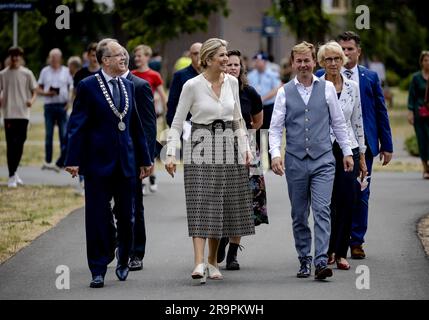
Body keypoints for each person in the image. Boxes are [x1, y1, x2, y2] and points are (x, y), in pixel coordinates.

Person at [165, 38, 255, 285]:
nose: (227, 60)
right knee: (200, 201)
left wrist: (246, 148)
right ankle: (198, 262)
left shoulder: (233, 83)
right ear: (208, 58)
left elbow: (237, 119)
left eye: (227, 55)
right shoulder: (191, 85)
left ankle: (214, 261)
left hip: (229, 143)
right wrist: (171, 153)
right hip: (199, 143)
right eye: (222, 56)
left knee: (221, 204)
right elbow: (176, 120)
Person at [64, 39, 152, 288]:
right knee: (97, 217)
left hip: (126, 163)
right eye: (118, 55)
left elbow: (135, 126)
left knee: (127, 216)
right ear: (105, 60)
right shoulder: (88, 86)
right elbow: (77, 124)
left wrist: (145, 159)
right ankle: (98, 268)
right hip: (97, 163)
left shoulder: (128, 86)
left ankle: (123, 258)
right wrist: (73, 159)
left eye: (124, 54)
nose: (124, 58)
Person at [269, 41, 353, 280]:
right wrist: (275, 154)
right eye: (299, 61)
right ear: (293, 64)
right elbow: (275, 129)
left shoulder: (326, 88)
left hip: (323, 160)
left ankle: (320, 261)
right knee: (298, 213)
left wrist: (346, 152)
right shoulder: (285, 91)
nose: (304, 65)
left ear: (314, 62)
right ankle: (304, 258)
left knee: (322, 210)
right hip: (295, 160)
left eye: (307, 60)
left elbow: (338, 123)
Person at [317, 31, 393, 260]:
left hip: (362, 145)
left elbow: (380, 111)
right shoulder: (321, 77)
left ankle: (356, 241)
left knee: (360, 194)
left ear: (358, 51)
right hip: (328, 147)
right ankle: (332, 245)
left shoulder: (368, 77)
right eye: (343, 49)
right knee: (331, 197)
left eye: (350, 49)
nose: (346, 53)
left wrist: (386, 144)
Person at [317, 41, 368, 270]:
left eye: (337, 58)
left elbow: (357, 121)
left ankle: (341, 252)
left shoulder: (352, 86)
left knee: (348, 199)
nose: (333, 63)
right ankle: (326, 250)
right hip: (324, 148)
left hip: (349, 148)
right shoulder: (316, 86)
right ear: (322, 62)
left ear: (343, 61)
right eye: (328, 59)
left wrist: (362, 155)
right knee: (327, 202)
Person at [217, 49, 267, 271]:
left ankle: (233, 254)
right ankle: (220, 239)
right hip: (218, 150)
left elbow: (257, 123)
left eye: (236, 65)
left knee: (243, 201)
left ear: (241, 68)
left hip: (247, 150)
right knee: (222, 199)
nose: (232, 68)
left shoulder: (250, 93)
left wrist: (244, 139)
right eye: (228, 65)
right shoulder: (214, 91)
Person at [118, 47, 157, 271]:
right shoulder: (97, 85)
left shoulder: (140, 86)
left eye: (124, 57)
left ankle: (135, 252)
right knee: (109, 206)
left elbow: (149, 126)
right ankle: (116, 242)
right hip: (107, 156)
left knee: (134, 205)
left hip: (133, 157)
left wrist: (147, 158)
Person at [0, 47, 38, 188]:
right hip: (9, 114)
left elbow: (34, 91)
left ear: (20, 57)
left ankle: (14, 171)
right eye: (13, 56)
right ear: (10, 57)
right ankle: (11, 176)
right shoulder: (3, 74)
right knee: (11, 145)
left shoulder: (27, 73)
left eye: (17, 56)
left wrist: (31, 101)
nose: (15, 58)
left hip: (23, 114)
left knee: (20, 144)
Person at [132, 44, 167, 193]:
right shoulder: (130, 74)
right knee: (136, 147)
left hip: (149, 117)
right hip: (133, 116)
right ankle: (141, 179)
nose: (137, 58)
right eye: (136, 56)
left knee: (149, 147)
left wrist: (166, 113)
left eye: (140, 55)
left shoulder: (154, 75)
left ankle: (151, 176)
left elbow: (162, 95)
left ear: (147, 57)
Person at [37, 48, 73, 172]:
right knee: (49, 135)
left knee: (64, 135)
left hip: (62, 106)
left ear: (60, 58)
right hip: (49, 106)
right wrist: (47, 93)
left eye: (56, 58)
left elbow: (72, 88)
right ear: (49, 58)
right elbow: (38, 88)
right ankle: (48, 161)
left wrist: (69, 102)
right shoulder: (44, 71)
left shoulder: (66, 71)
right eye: (52, 58)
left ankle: (62, 161)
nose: (54, 60)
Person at [248, 52, 281, 168]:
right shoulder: (250, 75)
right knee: (254, 133)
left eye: (259, 61)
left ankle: (272, 161)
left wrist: (262, 98)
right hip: (255, 109)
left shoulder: (272, 74)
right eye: (255, 61)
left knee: (268, 133)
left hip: (268, 107)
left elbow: (277, 88)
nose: (257, 63)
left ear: (265, 62)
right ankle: (256, 161)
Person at [166, 42, 202, 127]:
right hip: (187, 123)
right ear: (190, 55)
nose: (198, 56)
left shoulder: (210, 74)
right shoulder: (180, 75)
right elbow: (172, 101)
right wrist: (172, 123)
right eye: (195, 53)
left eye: (201, 53)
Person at [408, 50, 429, 179]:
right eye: (425, 60)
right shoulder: (416, 78)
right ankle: (425, 168)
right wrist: (410, 112)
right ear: (421, 62)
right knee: (422, 141)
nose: (428, 62)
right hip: (419, 114)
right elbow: (412, 96)